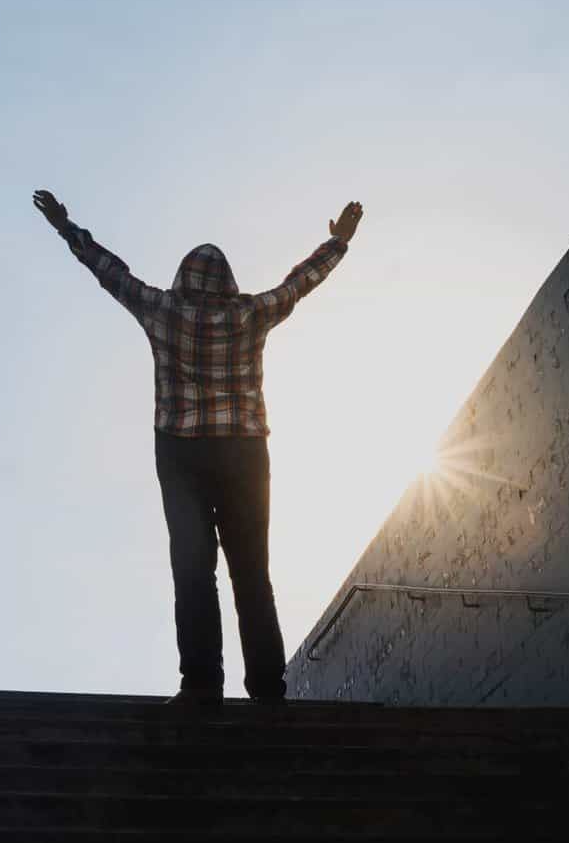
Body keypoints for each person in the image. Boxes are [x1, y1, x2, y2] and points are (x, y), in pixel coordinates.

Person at [33, 190, 362, 706]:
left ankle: (202, 684)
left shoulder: (163, 310)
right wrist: (337, 242)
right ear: (228, 283)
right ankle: (268, 691)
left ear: (183, 278)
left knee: (193, 571)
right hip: (245, 453)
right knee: (252, 573)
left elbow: (109, 271)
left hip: (182, 454)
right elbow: (298, 285)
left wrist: (64, 225)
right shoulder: (250, 314)